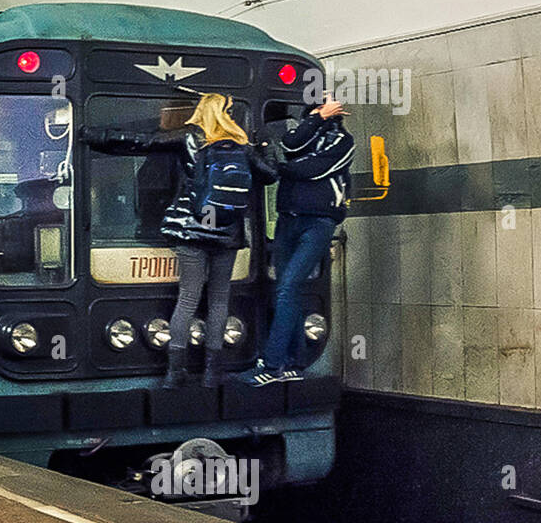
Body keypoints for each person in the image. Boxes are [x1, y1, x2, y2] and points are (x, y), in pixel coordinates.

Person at [84, 93, 277, 389]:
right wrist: (266, 146)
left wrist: (92, 135)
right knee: (218, 300)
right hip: (227, 232)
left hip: (193, 228)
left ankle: (175, 372)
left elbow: (142, 140)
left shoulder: (191, 139)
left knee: (187, 298)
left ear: (202, 113)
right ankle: (213, 374)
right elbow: (269, 174)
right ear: (226, 114)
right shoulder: (242, 145)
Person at [239, 94, 353, 386]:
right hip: (288, 219)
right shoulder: (303, 134)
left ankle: (271, 364)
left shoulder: (342, 142)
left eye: (324, 110)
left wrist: (282, 167)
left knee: (288, 286)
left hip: (318, 223)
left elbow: (311, 170)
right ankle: (295, 361)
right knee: (286, 289)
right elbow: (291, 145)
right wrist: (315, 121)